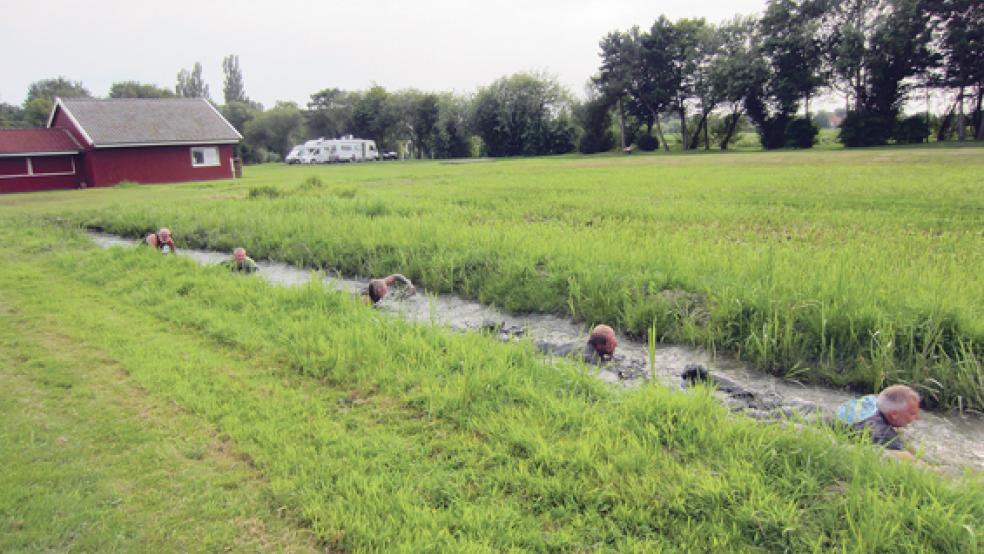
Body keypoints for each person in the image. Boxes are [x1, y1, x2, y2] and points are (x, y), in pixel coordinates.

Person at [835, 384, 920, 452]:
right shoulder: (884, 434)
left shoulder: (871, 401)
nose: (917, 418)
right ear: (894, 414)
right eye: (912, 414)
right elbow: (907, 458)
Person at [537, 324, 619, 365]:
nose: (616, 344)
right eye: (611, 343)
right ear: (599, 345)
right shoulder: (592, 359)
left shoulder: (580, 344)